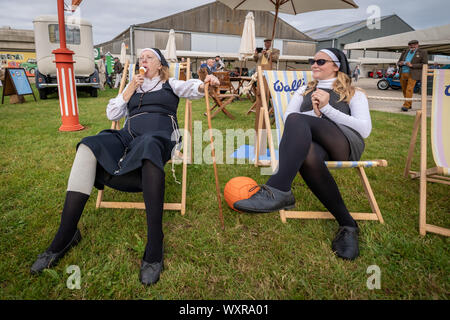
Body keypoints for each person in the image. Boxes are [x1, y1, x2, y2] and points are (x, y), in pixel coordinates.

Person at [30, 48, 220, 285]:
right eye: (141, 58)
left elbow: (194, 89)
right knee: (89, 145)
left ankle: (155, 244)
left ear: (160, 65)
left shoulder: (170, 83)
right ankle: (65, 235)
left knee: (149, 143)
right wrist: (129, 89)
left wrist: (206, 83)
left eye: (149, 57)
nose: (143, 61)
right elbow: (112, 112)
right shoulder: (133, 87)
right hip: (129, 136)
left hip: (161, 136)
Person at [234, 48, 372, 261]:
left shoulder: (354, 93)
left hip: (343, 143)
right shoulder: (304, 89)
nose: (314, 65)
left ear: (336, 66)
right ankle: (347, 224)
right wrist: (315, 113)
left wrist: (327, 110)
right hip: (314, 145)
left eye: (320, 61)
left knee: (299, 120)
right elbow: (289, 116)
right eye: (312, 60)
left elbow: (364, 129)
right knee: (308, 156)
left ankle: (278, 189)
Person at [397, 40, 428, 112]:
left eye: (414, 44)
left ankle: (406, 105)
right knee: (404, 89)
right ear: (408, 45)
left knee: (409, 89)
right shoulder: (405, 51)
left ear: (417, 45)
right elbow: (398, 62)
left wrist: (412, 65)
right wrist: (400, 63)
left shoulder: (423, 52)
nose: (412, 46)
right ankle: (409, 103)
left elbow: (425, 64)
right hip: (402, 73)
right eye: (410, 45)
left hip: (413, 74)